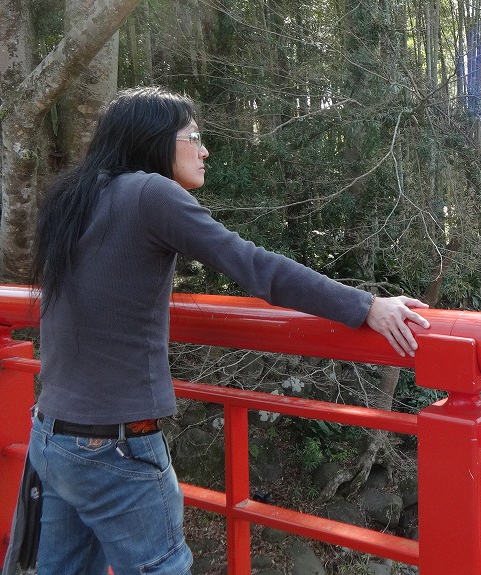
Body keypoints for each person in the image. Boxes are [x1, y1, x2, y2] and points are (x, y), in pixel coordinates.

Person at [18, 86, 430, 575]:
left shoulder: (74, 197)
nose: (204, 150)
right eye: (192, 136)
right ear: (153, 140)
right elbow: (254, 266)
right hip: (116, 444)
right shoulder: (151, 193)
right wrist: (364, 306)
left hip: (50, 434)